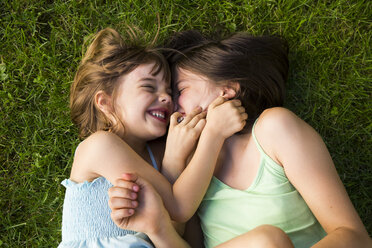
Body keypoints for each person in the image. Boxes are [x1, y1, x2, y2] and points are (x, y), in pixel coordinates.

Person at [110, 30, 371, 247]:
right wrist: (175, 164)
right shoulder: (192, 166)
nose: (172, 107)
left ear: (227, 90)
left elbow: (354, 237)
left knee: (267, 242)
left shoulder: (274, 130)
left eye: (180, 90)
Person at [58, 27, 247, 248]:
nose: (166, 97)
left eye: (170, 90)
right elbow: (178, 207)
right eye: (149, 87)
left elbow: (190, 238)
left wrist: (174, 161)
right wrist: (213, 135)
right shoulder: (101, 146)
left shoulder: (160, 153)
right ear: (106, 103)